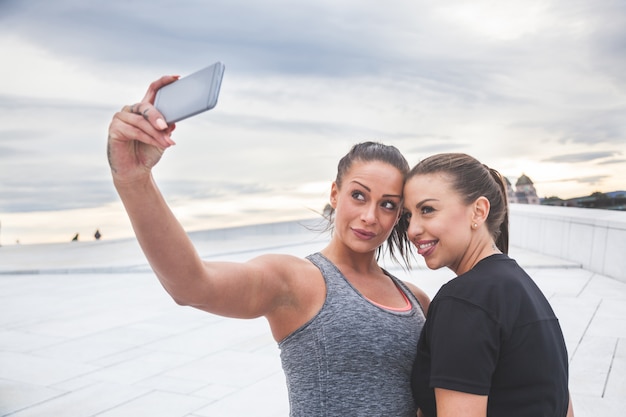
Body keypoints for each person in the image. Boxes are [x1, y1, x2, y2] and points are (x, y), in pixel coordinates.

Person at [106, 75, 429, 417]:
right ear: (335, 194)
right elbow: (191, 285)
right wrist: (133, 179)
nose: (370, 216)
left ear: (399, 215)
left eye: (388, 204)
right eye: (359, 195)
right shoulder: (295, 279)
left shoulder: (416, 300)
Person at [402, 153, 574, 417]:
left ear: (479, 211)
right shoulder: (524, 288)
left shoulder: (463, 301)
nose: (412, 229)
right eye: (408, 216)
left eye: (427, 210)